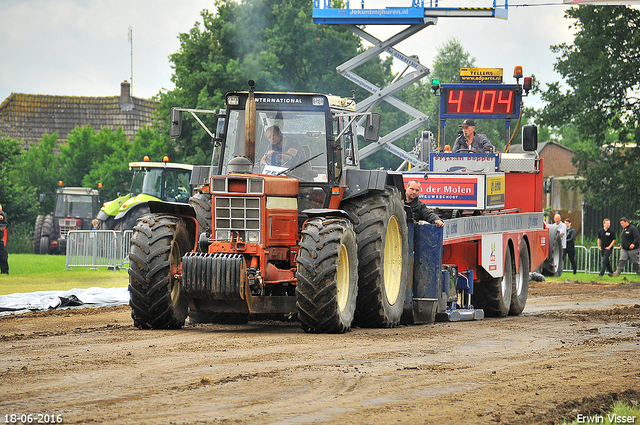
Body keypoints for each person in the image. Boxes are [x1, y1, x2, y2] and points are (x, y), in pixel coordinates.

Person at [0, 204, 8, 275]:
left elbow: (6, 225)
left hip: (0, 240)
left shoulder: (2, 215)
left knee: (3, 256)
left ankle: (4, 272)